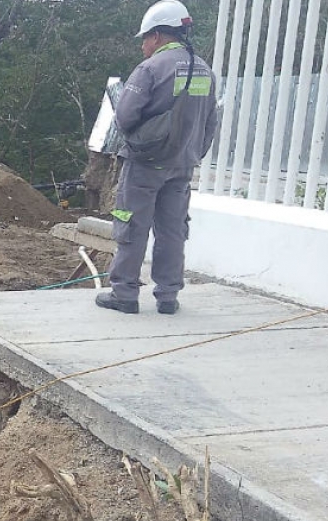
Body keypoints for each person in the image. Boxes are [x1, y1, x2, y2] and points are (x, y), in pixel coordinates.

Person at [97, 0, 219, 315]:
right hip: (182, 166)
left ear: (158, 35)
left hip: (146, 164)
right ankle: (168, 296)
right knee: (172, 229)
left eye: (145, 38)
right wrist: (192, 154)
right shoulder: (204, 69)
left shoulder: (151, 69)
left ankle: (124, 293)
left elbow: (124, 117)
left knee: (131, 225)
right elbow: (210, 122)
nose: (142, 46)